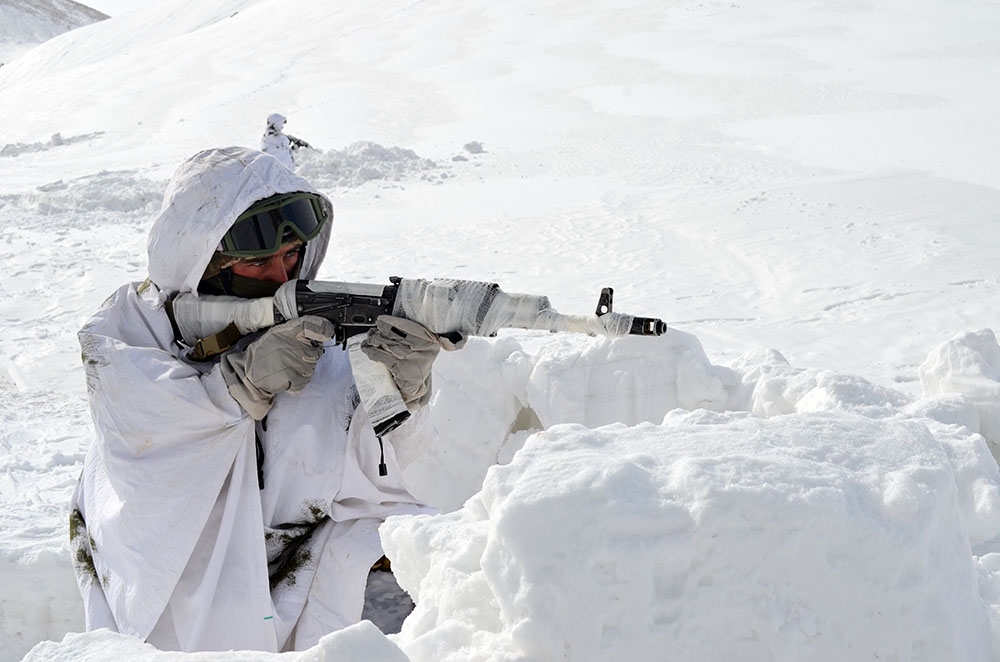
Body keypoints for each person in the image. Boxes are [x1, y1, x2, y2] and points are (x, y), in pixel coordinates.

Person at [69, 146, 457, 652]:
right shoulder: (127, 331)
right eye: (256, 262)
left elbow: (375, 462)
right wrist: (236, 387)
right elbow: (144, 441)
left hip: (295, 554)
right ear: (202, 261)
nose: (280, 277)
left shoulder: (308, 322)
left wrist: (402, 392)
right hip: (182, 566)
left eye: (291, 255)